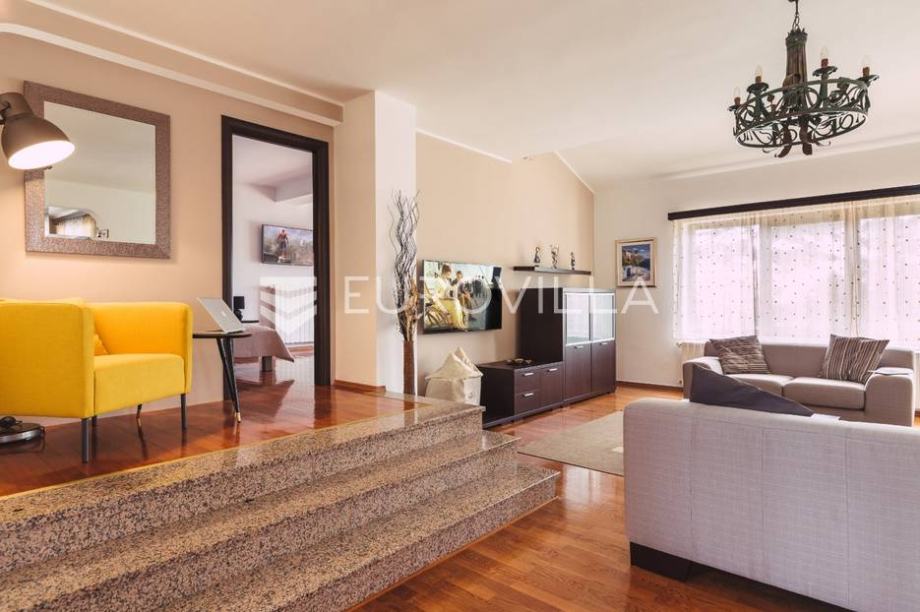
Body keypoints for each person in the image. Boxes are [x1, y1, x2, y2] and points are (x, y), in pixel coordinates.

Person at [433, 264, 466, 330]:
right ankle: (457, 325)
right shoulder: (438, 281)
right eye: (448, 274)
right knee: (454, 304)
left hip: (446, 299)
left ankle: (459, 324)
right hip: (440, 301)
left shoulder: (446, 281)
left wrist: (450, 297)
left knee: (456, 301)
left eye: (449, 274)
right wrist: (443, 297)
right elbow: (435, 296)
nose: (449, 276)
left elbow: (447, 292)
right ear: (444, 272)